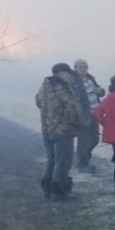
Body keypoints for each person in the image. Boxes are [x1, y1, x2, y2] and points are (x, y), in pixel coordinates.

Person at [35, 63, 81, 200]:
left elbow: (38, 102)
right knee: (63, 162)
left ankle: (48, 190)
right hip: (63, 130)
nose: (71, 77)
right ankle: (59, 192)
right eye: (69, 74)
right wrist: (77, 125)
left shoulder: (44, 87)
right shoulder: (62, 89)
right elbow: (72, 110)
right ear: (61, 73)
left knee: (52, 160)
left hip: (46, 129)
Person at [72, 58, 105, 171]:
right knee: (83, 140)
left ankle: (85, 157)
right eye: (80, 67)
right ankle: (82, 163)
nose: (83, 69)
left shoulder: (91, 78)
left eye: (85, 67)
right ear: (75, 68)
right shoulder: (73, 81)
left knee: (95, 139)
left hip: (95, 112)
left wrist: (99, 91)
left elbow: (101, 92)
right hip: (83, 114)